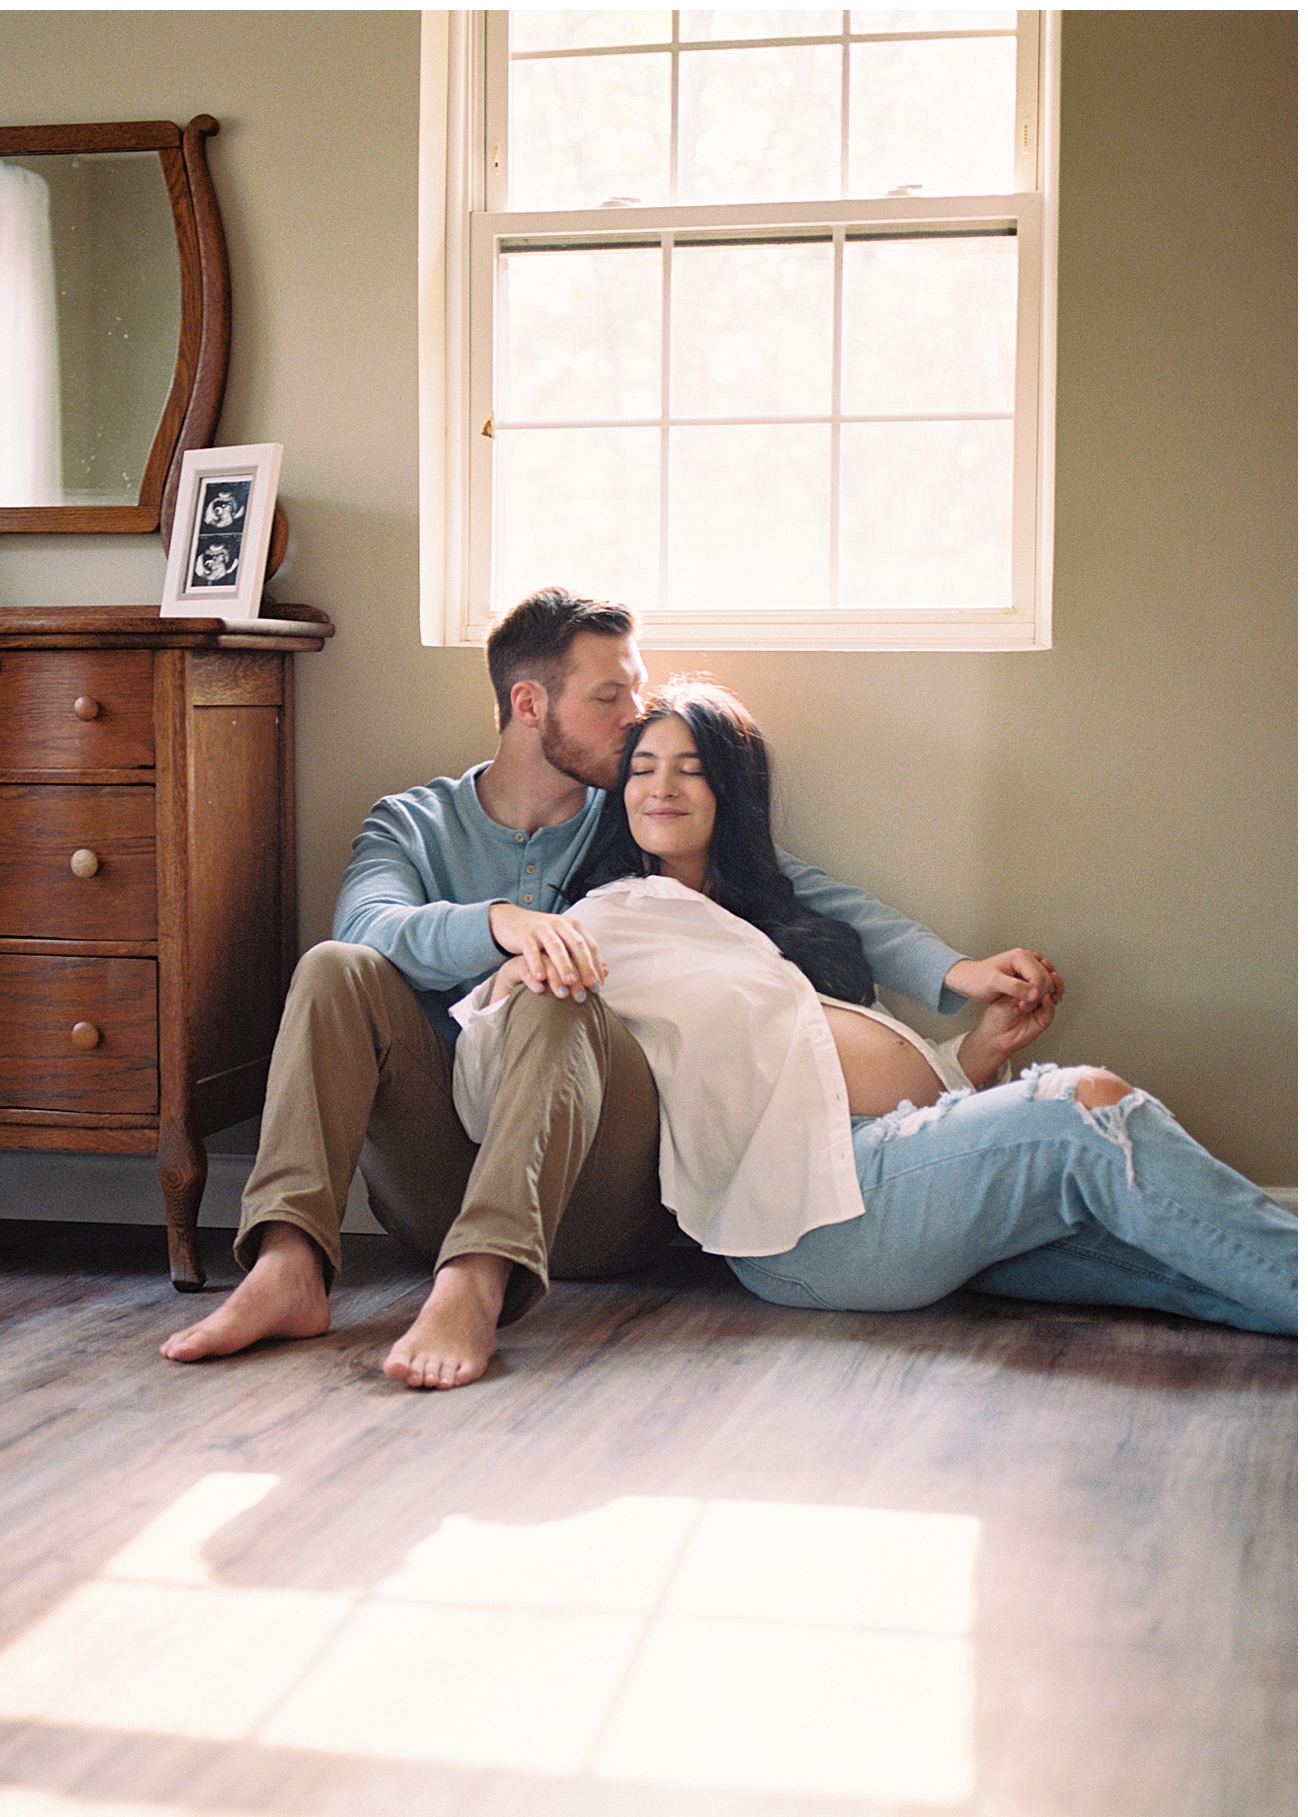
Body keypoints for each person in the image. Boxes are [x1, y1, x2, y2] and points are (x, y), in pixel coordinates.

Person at [163, 586, 1064, 1385]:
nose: (639, 717)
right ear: (529, 704)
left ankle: (479, 1284)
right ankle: (285, 1264)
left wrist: (953, 971)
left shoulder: (637, 816)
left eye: (637, 688)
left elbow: (795, 888)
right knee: (335, 966)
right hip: (439, 1166)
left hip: (599, 1193)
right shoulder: (414, 822)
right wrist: (497, 924)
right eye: (611, 697)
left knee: (562, 996)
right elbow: (365, 931)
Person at [453, 682, 1295, 1341]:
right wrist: (506, 973)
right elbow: (492, 1036)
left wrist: (978, 1052)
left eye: (691, 767)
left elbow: (812, 1072)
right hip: (817, 1216)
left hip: (885, 1170)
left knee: (1179, 1263)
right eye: (640, 769)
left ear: (732, 791)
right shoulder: (611, 917)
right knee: (1088, 1109)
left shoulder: (752, 926)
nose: (660, 787)